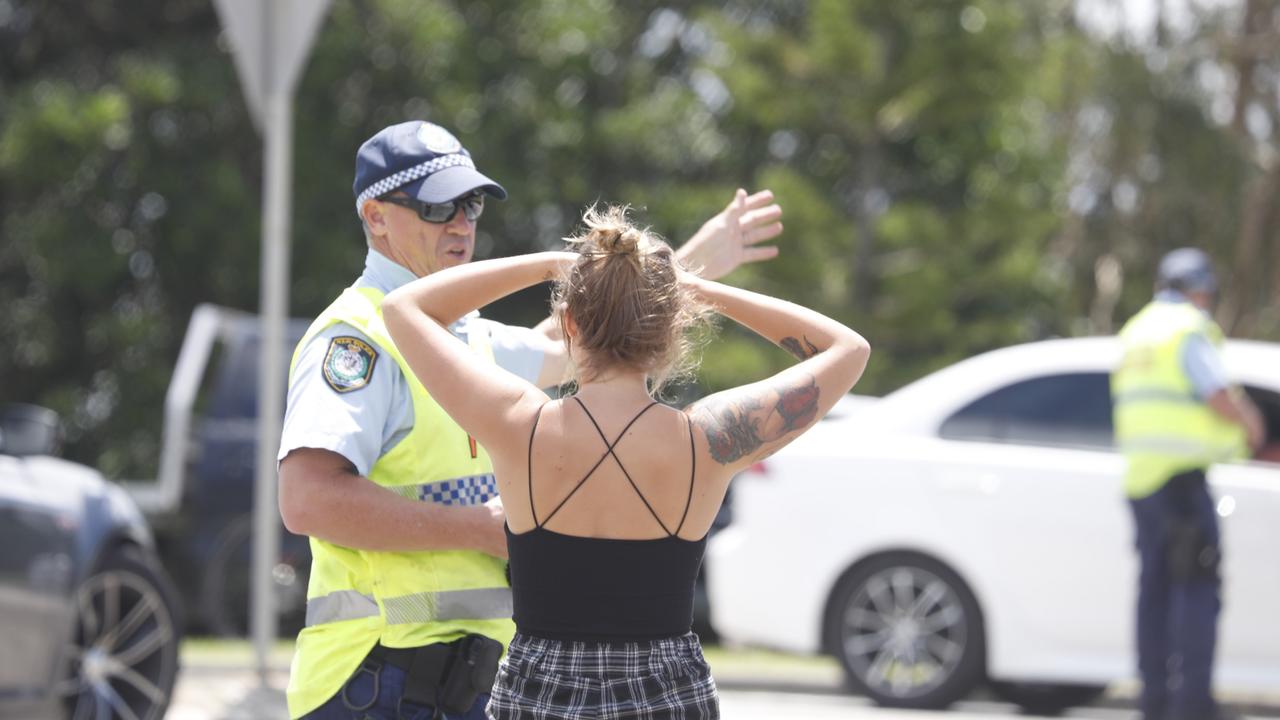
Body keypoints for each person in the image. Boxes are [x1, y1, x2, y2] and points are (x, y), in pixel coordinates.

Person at [276, 119, 787, 720]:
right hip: (372, 681)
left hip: (451, 683)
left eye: (472, 203)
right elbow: (306, 499)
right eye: (439, 207)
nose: (463, 222)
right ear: (376, 216)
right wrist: (476, 528)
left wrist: (692, 264)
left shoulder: (468, 337)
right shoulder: (357, 339)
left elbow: (589, 342)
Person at [382, 202, 871, 719]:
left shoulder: (518, 424)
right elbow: (847, 348)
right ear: (671, 328)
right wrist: (698, 288)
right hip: (668, 693)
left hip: (538, 691)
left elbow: (404, 308)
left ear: (568, 322)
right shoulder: (707, 440)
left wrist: (552, 264)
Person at [1111, 247, 1265, 720]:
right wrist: (1253, 427)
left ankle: (1155, 703)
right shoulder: (1188, 330)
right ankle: (1193, 705)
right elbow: (1217, 392)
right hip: (1181, 483)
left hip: (1141, 483)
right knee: (1196, 593)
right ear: (1200, 289)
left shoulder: (1136, 331)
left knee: (1154, 594)